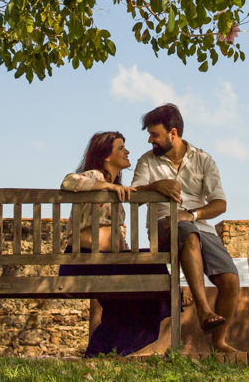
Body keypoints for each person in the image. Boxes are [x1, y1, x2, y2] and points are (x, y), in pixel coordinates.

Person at [130, 103, 240, 353]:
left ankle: (219, 342)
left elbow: (220, 203)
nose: (150, 140)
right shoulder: (147, 161)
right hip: (164, 226)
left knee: (231, 280)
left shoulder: (203, 159)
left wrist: (192, 214)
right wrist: (157, 185)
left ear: (173, 133)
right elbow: (133, 193)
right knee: (187, 233)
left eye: (154, 134)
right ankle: (204, 310)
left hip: (199, 225)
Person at [58, 131, 177, 357]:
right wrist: (109, 187)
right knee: (147, 275)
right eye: (121, 148)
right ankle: (102, 353)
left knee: (133, 292)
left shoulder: (113, 188)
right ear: (106, 156)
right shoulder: (95, 176)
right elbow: (68, 181)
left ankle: (100, 355)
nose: (127, 151)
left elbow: (117, 238)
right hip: (84, 261)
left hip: (108, 262)